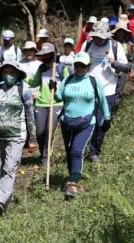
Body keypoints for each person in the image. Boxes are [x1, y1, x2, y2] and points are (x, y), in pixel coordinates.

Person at [50, 52, 110, 199]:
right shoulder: (68, 80)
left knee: (77, 151)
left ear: (88, 66)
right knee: (70, 152)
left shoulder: (93, 81)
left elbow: (102, 101)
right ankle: (74, 177)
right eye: (77, 65)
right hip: (67, 122)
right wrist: (53, 87)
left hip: (87, 123)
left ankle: (72, 185)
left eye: (83, 66)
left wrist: (107, 118)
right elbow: (59, 97)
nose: (79, 68)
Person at [0, 59, 37, 217]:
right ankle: (7, 198)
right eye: (5, 72)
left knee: (10, 167)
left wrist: (32, 139)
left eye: (12, 72)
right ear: (0, 74)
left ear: (18, 74)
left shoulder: (24, 91)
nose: (8, 75)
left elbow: (30, 115)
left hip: (17, 135)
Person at [81, 21, 128, 163]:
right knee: (86, 121)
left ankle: (94, 151)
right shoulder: (87, 45)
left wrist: (114, 63)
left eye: (101, 37)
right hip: (88, 89)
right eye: (96, 36)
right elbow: (77, 64)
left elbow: (127, 68)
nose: (98, 39)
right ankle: (81, 148)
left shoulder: (115, 46)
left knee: (102, 123)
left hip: (108, 90)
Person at [28, 43, 69, 167]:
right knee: (40, 132)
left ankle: (45, 156)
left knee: (49, 130)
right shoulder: (41, 68)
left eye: (46, 54)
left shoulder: (61, 68)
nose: (44, 57)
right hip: (41, 103)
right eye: (43, 55)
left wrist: (57, 87)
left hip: (56, 103)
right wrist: (21, 76)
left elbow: (67, 85)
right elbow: (34, 82)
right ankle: (42, 152)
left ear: (52, 54)